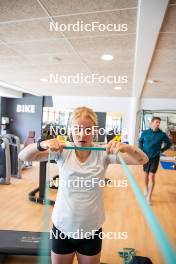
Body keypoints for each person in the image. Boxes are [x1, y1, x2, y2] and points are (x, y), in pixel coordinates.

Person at [19, 106, 148, 264]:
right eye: (77, 129)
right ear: (71, 130)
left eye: (88, 130)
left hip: (91, 230)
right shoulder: (63, 151)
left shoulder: (103, 153)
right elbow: (23, 155)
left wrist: (127, 147)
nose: (82, 134)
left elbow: (143, 160)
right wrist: (42, 144)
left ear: (94, 131)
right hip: (62, 228)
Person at [138, 116, 172, 205]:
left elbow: (169, 144)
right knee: (145, 174)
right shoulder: (145, 133)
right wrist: (141, 150)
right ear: (151, 123)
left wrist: (161, 150)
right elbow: (140, 142)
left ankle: (149, 197)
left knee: (151, 176)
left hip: (155, 158)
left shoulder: (162, 134)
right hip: (145, 157)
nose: (158, 124)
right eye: (156, 122)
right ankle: (145, 188)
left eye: (159, 122)